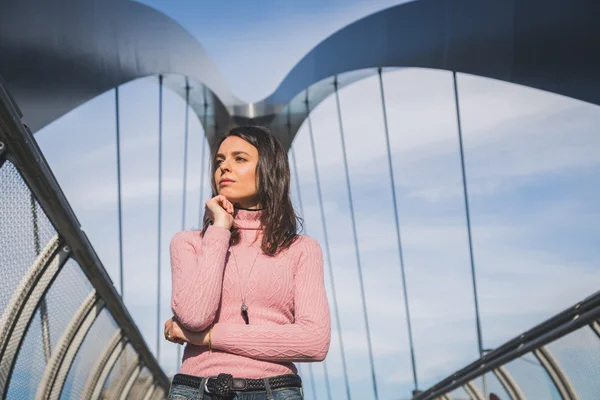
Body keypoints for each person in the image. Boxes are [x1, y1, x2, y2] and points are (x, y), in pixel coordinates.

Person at [163, 125, 331, 400]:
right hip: (197, 389)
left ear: (269, 170)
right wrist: (219, 230)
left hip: (274, 391)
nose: (224, 168)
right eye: (220, 161)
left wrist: (207, 338)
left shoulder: (301, 249)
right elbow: (195, 317)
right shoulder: (189, 243)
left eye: (239, 159)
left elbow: (314, 342)